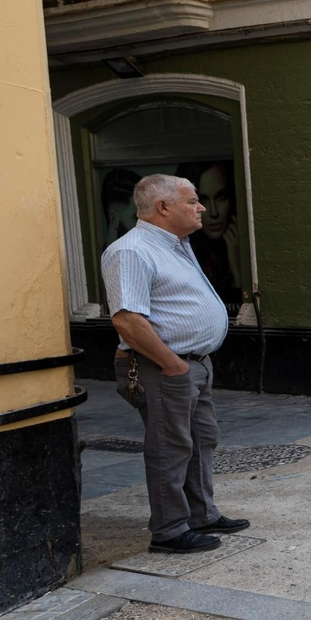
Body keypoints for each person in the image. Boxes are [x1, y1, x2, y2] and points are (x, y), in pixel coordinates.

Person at [101, 173, 249, 554]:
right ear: (163, 207)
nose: (201, 207)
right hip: (162, 367)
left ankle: (200, 513)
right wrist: (173, 364)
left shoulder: (177, 244)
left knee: (201, 439)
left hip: (193, 362)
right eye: (192, 201)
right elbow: (127, 319)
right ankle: (168, 530)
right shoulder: (131, 250)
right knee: (170, 446)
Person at [176, 160, 242, 313]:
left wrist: (237, 270)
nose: (213, 212)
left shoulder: (237, 248)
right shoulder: (183, 253)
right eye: (202, 199)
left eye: (221, 197)